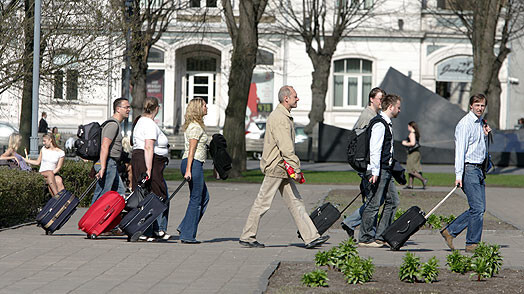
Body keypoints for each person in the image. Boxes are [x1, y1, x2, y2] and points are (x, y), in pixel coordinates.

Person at [239, 85, 330, 249]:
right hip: (276, 166)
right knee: (263, 202)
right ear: (286, 98)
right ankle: (247, 236)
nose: (298, 99)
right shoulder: (280, 118)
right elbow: (286, 147)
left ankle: (311, 237)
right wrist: (296, 168)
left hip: (281, 167)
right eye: (295, 96)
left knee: (296, 202)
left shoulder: (282, 116)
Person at [441, 94, 491, 253]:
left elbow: (477, 146)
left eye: (482, 105)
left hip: (479, 170)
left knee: (479, 208)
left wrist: (484, 135)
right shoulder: (465, 124)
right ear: (471, 106)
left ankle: (450, 231)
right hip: (468, 169)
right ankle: (472, 244)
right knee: (477, 208)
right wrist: (458, 175)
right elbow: (460, 151)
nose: (480, 108)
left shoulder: (479, 123)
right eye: (477, 105)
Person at [341, 87, 385, 241]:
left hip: (367, 163)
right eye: (380, 98)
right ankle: (354, 225)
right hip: (366, 164)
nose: (382, 101)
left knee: (373, 199)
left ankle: (354, 225)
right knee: (374, 200)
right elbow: (363, 144)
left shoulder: (375, 115)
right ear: (371, 99)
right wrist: (370, 166)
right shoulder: (368, 116)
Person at [359, 94, 402, 247]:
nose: (399, 110)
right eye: (398, 107)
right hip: (379, 170)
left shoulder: (386, 123)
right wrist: (375, 172)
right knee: (374, 203)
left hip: (386, 169)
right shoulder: (379, 123)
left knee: (393, 201)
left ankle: (381, 235)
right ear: (390, 107)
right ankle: (365, 238)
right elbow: (375, 149)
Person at [131, 97, 170, 241]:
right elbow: (148, 146)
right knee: (157, 195)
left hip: (143, 158)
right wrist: (148, 169)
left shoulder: (141, 121)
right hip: (147, 160)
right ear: (157, 108)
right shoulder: (148, 124)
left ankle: (150, 229)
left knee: (147, 195)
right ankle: (152, 229)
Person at [178, 97, 209, 244]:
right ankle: (188, 234)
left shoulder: (195, 125)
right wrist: (189, 170)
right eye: (204, 105)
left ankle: (185, 226)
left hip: (194, 163)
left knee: (204, 197)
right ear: (198, 108)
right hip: (193, 163)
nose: (206, 107)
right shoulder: (195, 127)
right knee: (196, 198)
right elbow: (192, 150)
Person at [91, 97, 130, 205]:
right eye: (126, 107)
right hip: (108, 163)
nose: (129, 110)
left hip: (110, 163)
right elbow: (104, 146)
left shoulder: (116, 124)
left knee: (120, 192)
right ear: (118, 109)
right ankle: (91, 220)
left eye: (129, 107)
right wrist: (103, 167)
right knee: (102, 194)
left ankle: (111, 220)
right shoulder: (112, 125)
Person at [401, 121, 428, 189]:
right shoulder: (416, 133)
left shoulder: (412, 134)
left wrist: (405, 143)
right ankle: (410, 184)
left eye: (408, 126)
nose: (408, 128)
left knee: (410, 169)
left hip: (413, 153)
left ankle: (423, 180)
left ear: (411, 126)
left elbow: (412, 143)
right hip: (416, 152)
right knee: (411, 168)